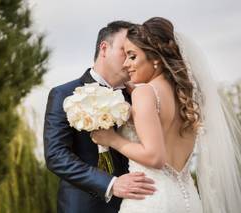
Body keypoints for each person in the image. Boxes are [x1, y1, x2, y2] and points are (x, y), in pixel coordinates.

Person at [91, 17, 241, 213]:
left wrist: (111, 139)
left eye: (132, 56)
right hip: (188, 200)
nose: (126, 64)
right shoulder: (188, 97)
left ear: (155, 58)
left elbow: (155, 157)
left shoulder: (145, 93)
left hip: (151, 201)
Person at [43, 21, 156, 213]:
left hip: (140, 203)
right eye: (125, 51)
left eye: (134, 53)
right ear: (104, 48)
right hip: (83, 206)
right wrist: (111, 183)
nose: (131, 60)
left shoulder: (142, 98)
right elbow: (56, 156)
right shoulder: (64, 94)